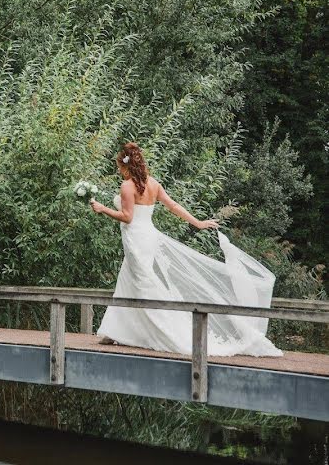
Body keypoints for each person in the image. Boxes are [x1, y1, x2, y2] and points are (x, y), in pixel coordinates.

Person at [89, 142, 281, 357]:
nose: (118, 170)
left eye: (118, 166)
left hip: (136, 239)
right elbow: (173, 206)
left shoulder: (127, 186)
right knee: (131, 279)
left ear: (125, 165)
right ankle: (115, 331)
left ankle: (165, 331)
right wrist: (197, 222)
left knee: (143, 284)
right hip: (148, 238)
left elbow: (127, 217)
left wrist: (102, 208)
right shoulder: (153, 184)